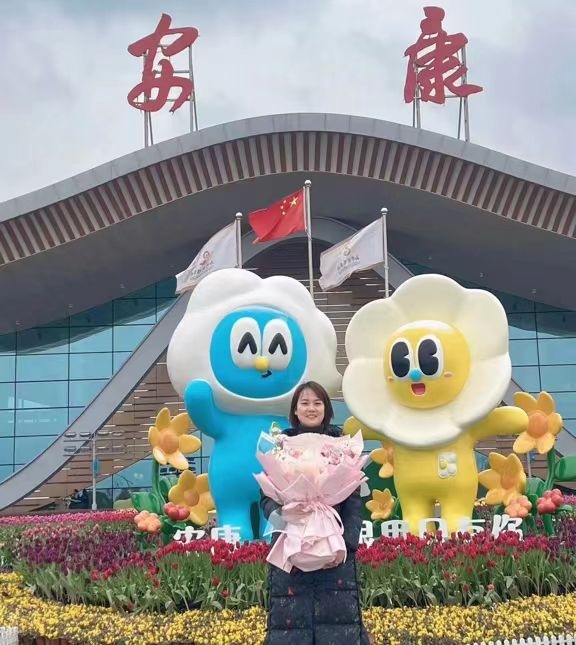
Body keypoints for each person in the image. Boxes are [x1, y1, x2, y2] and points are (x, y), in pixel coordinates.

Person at [261, 381, 371, 644]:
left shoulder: (342, 448)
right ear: (295, 409)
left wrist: (345, 547)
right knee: (289, 625)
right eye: (305, 403)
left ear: (326, 409)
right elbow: (265, 497)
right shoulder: (279, 447)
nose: (311, 408)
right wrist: (284, 516)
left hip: (334, 552)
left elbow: (354, 503)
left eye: (317, 403)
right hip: (291, 549)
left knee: (338, 623)